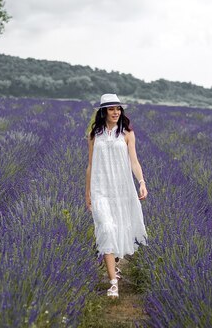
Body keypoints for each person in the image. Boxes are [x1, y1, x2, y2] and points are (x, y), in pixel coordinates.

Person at [85, 93, 148, 298]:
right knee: (107, 228)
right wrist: (87, 193)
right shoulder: (95, 134)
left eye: (118, 109)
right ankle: (113, 282)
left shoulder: (127, 133)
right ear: (103, 111)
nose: (116, 112)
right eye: (111, 109)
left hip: (121, 189)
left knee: (119, 228)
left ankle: (116, 264)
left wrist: (141, 182)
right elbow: (90, 166)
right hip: (100, 190)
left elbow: (134, 162)